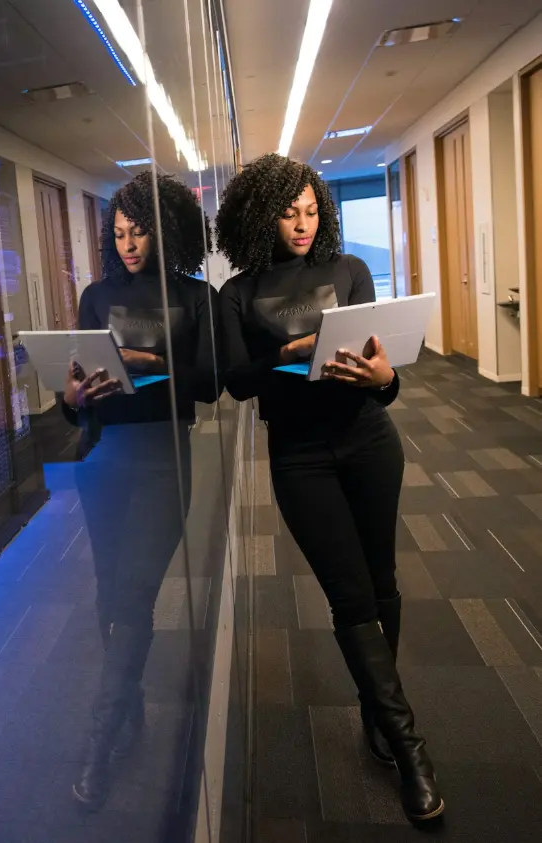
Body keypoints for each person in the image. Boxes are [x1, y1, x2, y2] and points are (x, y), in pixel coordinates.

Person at [215, 153, 443, 823]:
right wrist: (287, 354)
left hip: (370, 439)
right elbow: (236, 379)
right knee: (349, 597)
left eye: (313, 211)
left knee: (382, 581)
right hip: (300, 455)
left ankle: (378, 710)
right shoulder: (239, 294)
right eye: (289, 213)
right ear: (261, 216)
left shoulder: (350, 271)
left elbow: (384, 371)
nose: (304, 224)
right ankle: (410, 749)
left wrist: (384, 379)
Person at [61, 171, 219, 811]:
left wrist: (150, 364)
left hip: (163, 462)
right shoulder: (95, 296)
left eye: (139, 231)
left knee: (133, 595)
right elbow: (74, 400)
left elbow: (209, 385)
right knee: (110, 598)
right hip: (104, 459)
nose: (129, 244)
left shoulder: (194, 296)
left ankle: (101, 743)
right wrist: (72, 398)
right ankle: (130, 711)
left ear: (165, 229)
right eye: (120, 233)